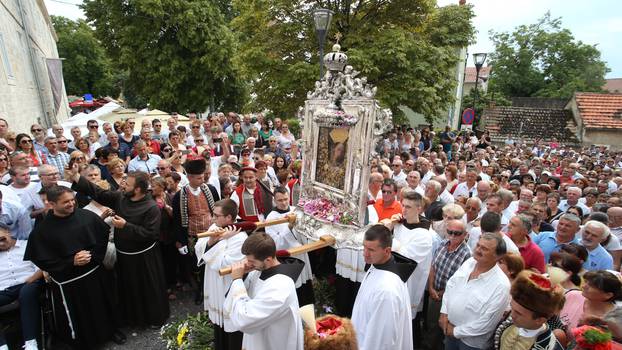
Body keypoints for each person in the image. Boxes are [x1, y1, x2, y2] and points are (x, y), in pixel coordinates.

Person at [66, 165, 170, 327]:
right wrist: (77, 177)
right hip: (124, 256)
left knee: (147, 290)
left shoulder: (151, 208)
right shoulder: (121, 198)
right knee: (129, 290)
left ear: (137, 189)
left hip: (144, 259)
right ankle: (133, 319)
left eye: (127, 184)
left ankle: (154, 319)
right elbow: (99, 193)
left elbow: (151, 234)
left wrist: (125, 226)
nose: (122, 186)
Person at [24, 185, 124, 348]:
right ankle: (86, 341)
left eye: (72, 200)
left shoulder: (86, 216)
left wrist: (92, 256)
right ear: (52, 204)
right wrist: (71, 261)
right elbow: (42, 260)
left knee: (103, 305)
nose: (71, 204)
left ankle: (111, 331)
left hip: (94, 273)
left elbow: (102, 237)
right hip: (69, 282)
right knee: (80, 314)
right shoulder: (42, 232)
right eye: (66, 202)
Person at [224, 232, 305, 350]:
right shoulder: (260, 269)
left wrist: (237, 280)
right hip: (260, 335)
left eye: (252, 261)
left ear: (268, 260)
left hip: (273, 342)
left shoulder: (280, 287)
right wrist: (243, 276)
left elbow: (245, 319)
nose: (247, 263)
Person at [351, 224, 417, 350]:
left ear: (387, 251)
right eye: (364, 247)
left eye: (371, 250)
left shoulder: (387, 290)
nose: (365, 254)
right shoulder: (377, 264)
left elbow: (381, 340)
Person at [440, 233, 511, 350]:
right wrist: (444, 313)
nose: (478, 250)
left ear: (498, 256)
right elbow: (451, 285)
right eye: (478, 245)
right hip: (449, 329)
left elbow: (487, 323)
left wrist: (455, 331)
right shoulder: (469, 263)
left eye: (485, 249)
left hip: (471, 344)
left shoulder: (501, 285)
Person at [382, 190, 434, 346]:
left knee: (407, 325)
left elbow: (406, 257)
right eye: (403, 205)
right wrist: (390, 227)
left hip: (409, 282)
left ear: (419, 209)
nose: (403, 210)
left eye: (409, 207)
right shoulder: (399, 223)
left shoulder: (424, 235)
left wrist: (389, 238)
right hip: (392, 276)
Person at [194, 199, 246, 349]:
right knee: (219, 324)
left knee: (230, 322)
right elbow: (199, 248)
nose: (213, 218)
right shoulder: (215, 226)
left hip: (227, 284)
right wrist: (211, 241)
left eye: (216, 215)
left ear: (229, 217)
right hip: (214, 281)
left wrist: (222, 240)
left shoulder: (239, 236)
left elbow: (224, 263)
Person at [265, 187, 314, 305]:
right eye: (280, 200)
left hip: (301, 252)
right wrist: (289, 227)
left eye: (286, 199)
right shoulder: (271, 218)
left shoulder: (295, 210)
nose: (284, 203)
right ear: (274, 201)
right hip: (287, 258)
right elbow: (275, 243)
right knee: (293, 286)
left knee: (305, 285)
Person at [493, 270, 565, 350]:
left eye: (519, 313)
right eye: (512, 308)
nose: (512, 315)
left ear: (540, 320)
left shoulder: (550, 347)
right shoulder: (508, 325)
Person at [0, 225, 44, 350]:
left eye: (2, 238)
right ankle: (2, 346)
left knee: (26, 291)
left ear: (8, 232)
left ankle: (31, 342)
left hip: (29, 282)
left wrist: (32, 279)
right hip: (5, 289)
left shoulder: (27, 245)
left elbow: (42, 267)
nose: (1, 243)